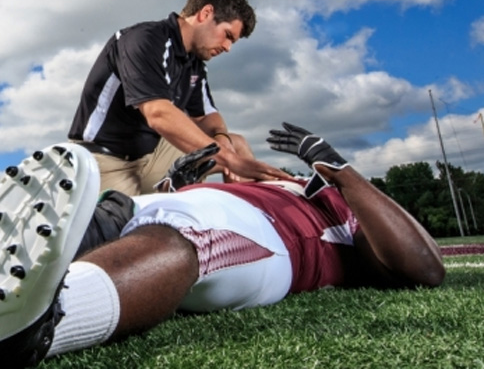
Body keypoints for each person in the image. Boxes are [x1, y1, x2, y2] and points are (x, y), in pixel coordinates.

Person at [0, 123, 445, 368]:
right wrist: (178, 183)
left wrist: (340, 171)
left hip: (269, 238)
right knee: (106, 212)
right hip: (154, 207)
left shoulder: (341, 204)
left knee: (189, 232)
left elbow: (425, 269)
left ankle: (36, 331)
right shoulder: (274, 183)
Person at [68, 0, 289, 195]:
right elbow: (158, 113)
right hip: (104, 161)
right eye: (228, 35)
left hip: (149, 157)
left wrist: (222, 139)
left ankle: (244, 225)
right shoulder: (142, 40)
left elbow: (206, 117)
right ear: (205, 14)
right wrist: (228, 159)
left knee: (236, 145)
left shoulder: (194, 63)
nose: (228, 47)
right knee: (125, 226)